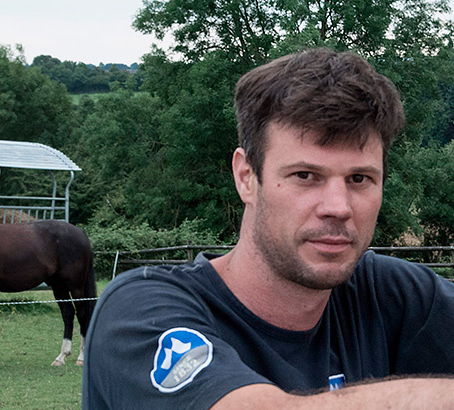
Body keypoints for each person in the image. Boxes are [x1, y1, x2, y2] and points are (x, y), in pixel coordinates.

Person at [81, 48, 454, 409]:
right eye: (305, 176)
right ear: (246, 177)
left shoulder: (394, 297)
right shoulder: (141, 312)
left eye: (359, 178)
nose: (338, 208)